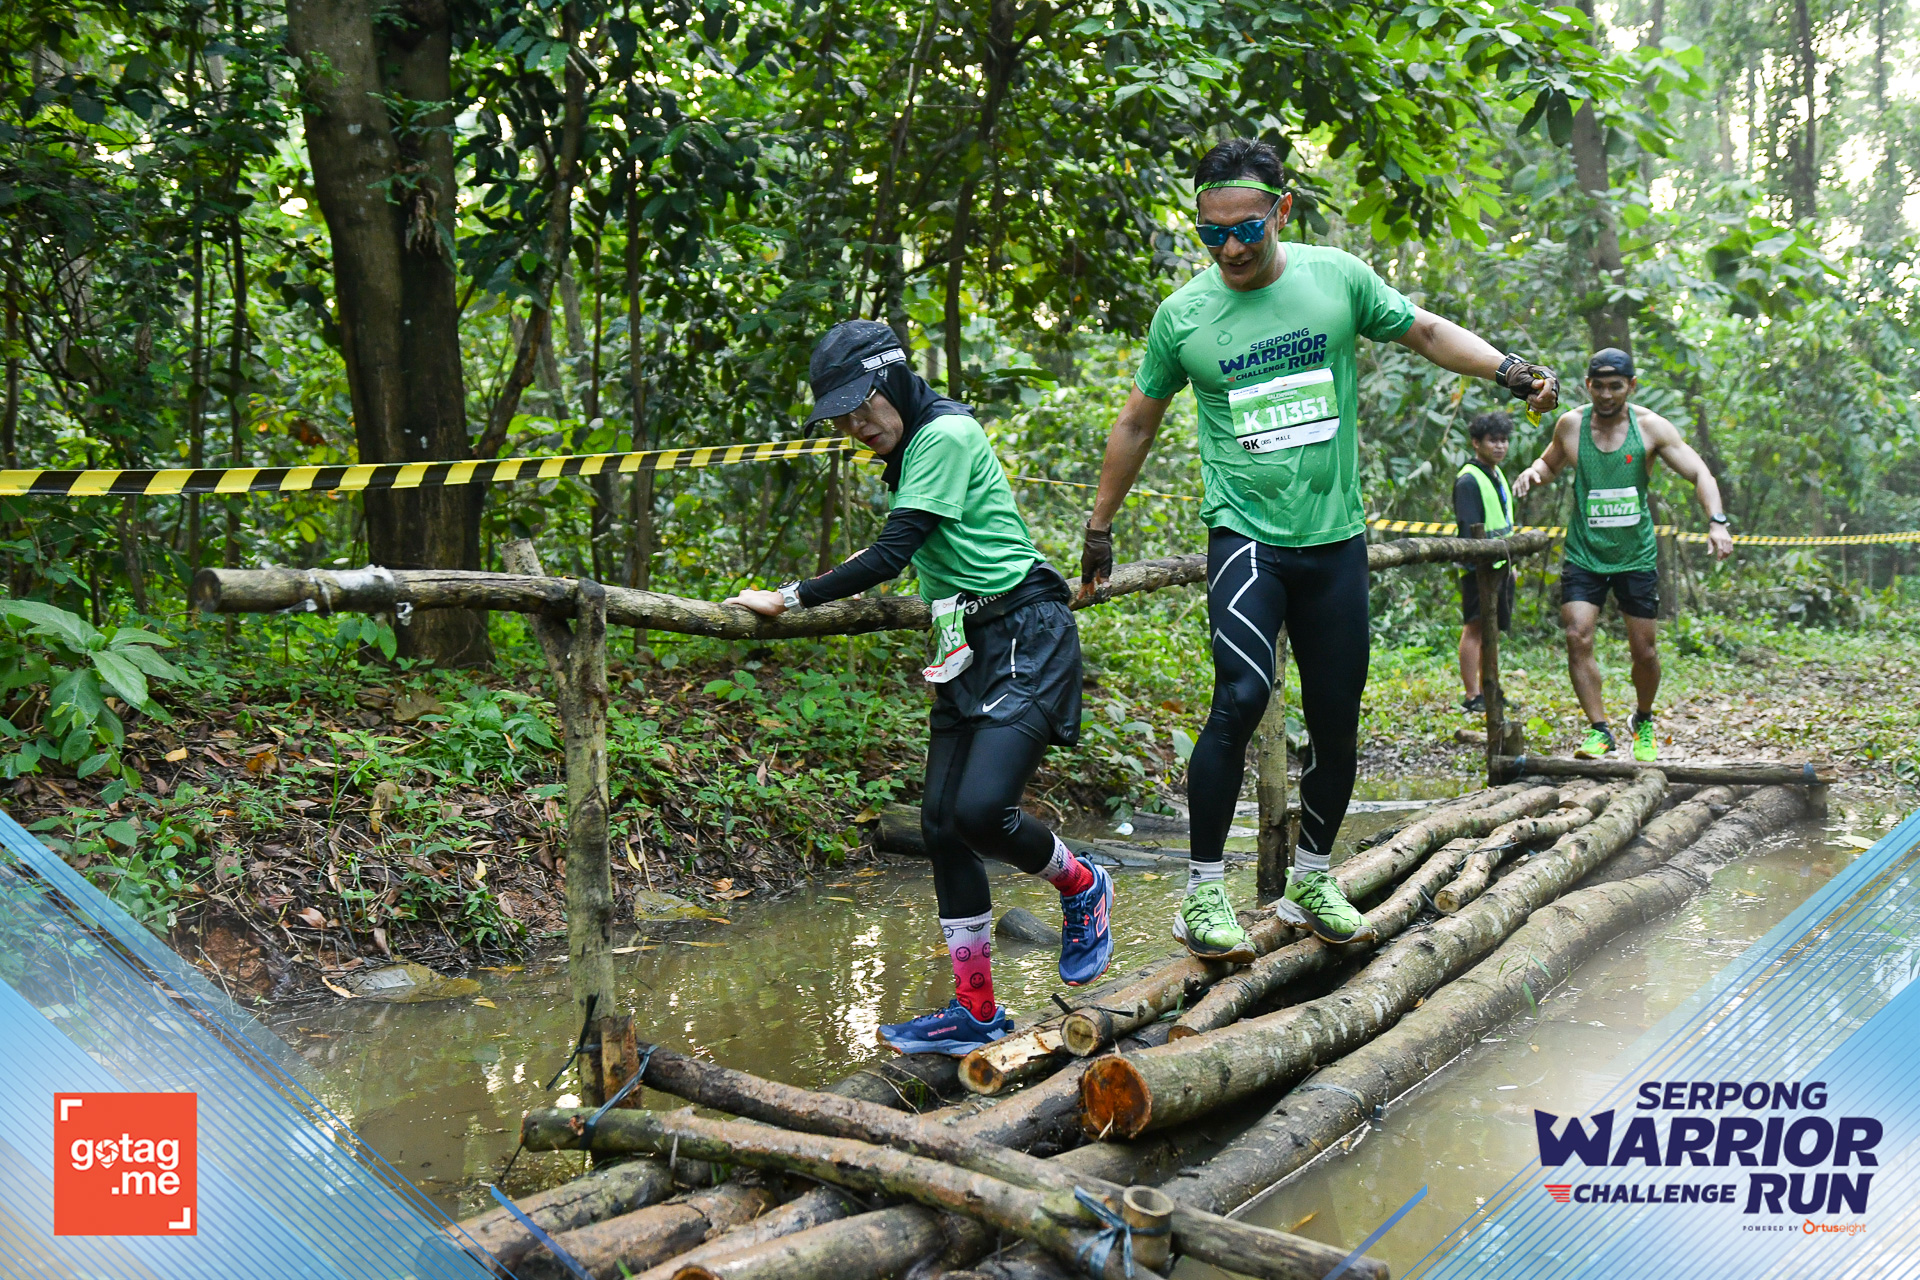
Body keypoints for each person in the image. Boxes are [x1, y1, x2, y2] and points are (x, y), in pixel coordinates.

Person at [1079, 137, 1560, 954]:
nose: (1231, 248)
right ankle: (1203, 895)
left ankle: (1310, 880)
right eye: (1211, 233)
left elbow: (1426, 331)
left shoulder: (1336, 279)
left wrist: (1506, 370)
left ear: (1282, 210)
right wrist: (1099, 525)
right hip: (1246, 536)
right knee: (1239, 697)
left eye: (1246, 229)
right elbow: (1136, 422)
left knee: (1337, 721)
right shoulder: (1183, 316)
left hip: (1335, 541)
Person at [723, 320, 1114, 1056]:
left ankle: (1081, 884)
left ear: (893, 379)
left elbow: (891, 555)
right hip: (967, 643)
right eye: (841, 418)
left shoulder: (945, 436)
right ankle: (976, 1011)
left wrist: (790, 595)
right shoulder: (910, 451)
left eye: (860, 407)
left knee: (981, 811)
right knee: (940, 827)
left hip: (1025, 632)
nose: (855, 427)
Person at [1511, 348, 1734, 762]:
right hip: (1585, 553)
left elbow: (1699, 472)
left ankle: (1642, 720)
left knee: (1644, 651)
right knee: (1577, 635)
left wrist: (1717, 521)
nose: (1607, 395)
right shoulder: (1571, 425)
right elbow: (1549, 465)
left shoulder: (1651, 428)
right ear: (1588, 385)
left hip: (1636, 556)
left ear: (1631, 386)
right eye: (1599, 386)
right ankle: (1599, 730)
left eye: (1616, 386)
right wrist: (1532, 474)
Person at [1455, 411, 1516, 713]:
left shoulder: (1496, 473)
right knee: (1475, 627)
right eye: (1493, 440)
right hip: (1479, 567)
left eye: (1504, 440)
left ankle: (1491, 688)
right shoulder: (1469, 479)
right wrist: (1477, 563)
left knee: (1492, 629)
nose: (1500, 446)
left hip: (1502, 565)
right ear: (1476, 443)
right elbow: (1469, 527)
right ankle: (1472, 694)